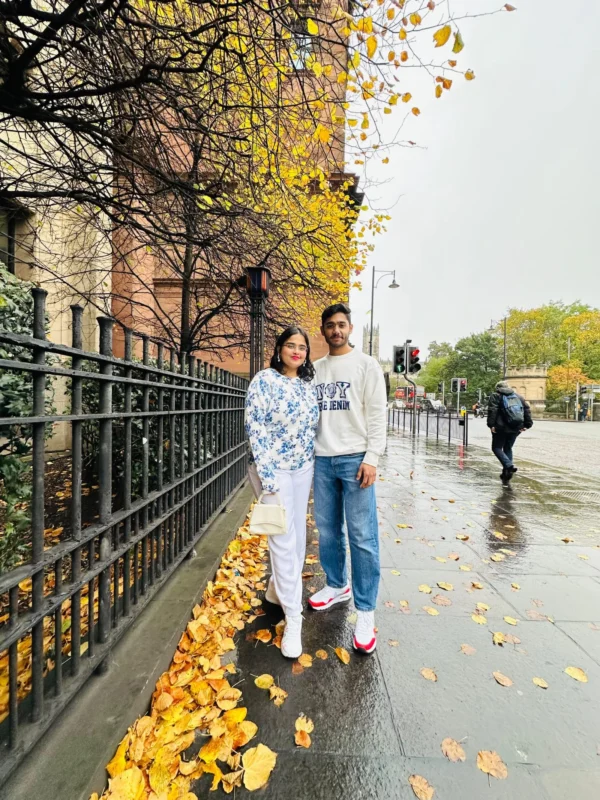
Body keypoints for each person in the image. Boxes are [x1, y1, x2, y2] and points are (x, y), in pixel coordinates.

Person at [308, 303, 387, 654]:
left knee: (362, 535)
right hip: (323, 460)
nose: (336, 330)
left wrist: (372, 458)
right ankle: (337, 585)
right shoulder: (315, 370)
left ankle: (366, 610)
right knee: (327, 529)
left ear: (351, 328)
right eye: (330, 326)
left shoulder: (367, 365)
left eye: (341, 325)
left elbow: (377, 415)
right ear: (323, 330)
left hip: (356, 459)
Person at [245, 326, 319, 658]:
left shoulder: (307, 385)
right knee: (282, 537)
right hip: (273, 469)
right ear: (279, 349)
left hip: (303, 468)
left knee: (297, 537)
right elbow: (255, 426)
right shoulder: (264, 380)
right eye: (291, 345)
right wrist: (268, 475)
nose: (297, 351)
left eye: (302, 347)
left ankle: (278, 591)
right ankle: (293, 618)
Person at [487, 380, 533, 486]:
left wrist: (491, 425)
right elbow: (527, 410)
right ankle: (507, 474)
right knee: (508, 447)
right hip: (516, 427)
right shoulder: (518, 396)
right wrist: (527, 425)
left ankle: (509, 465)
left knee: (496, 448)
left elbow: (492, 410)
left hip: (501, 427)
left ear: (497, 388)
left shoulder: (495, 396)